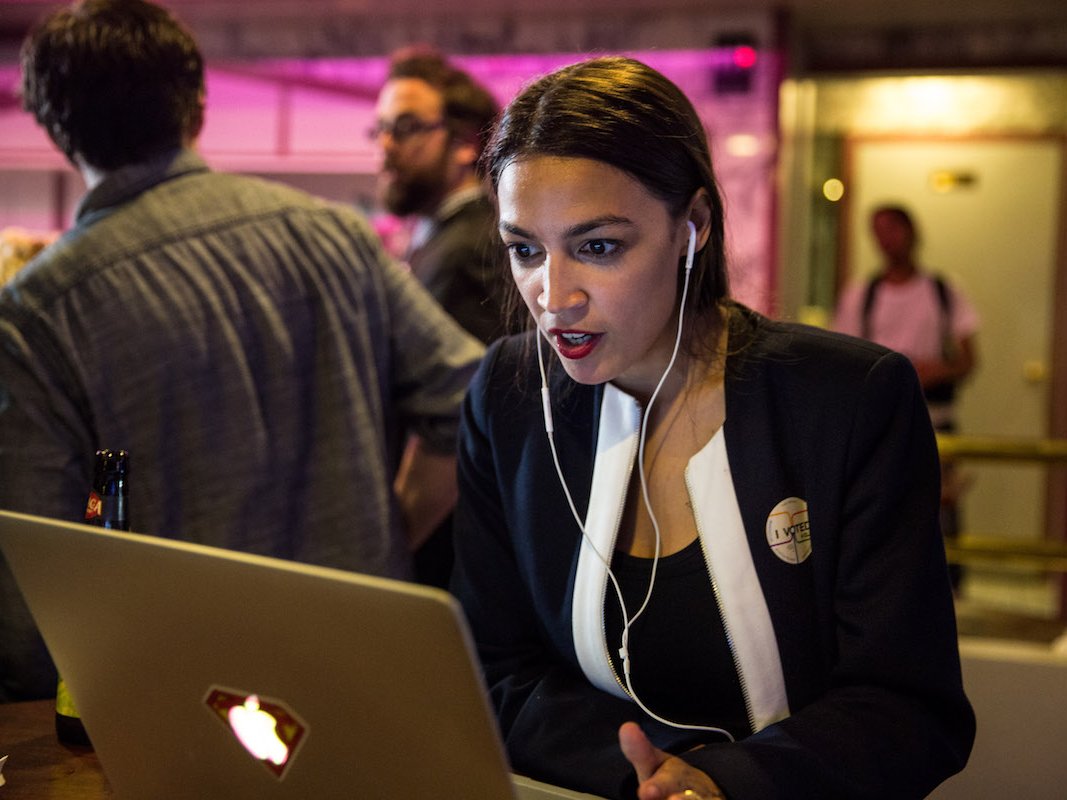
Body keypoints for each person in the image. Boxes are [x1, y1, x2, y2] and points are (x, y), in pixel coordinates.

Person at [451, 56, 974, 800]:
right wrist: (657, 775)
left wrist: (727, 781)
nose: (552, 295)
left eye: (598, 247)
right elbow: (491, 672)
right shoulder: (508, 395)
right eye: (525, 250)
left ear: (692, 226)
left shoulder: (846, 400)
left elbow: (909, 709)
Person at [0, 0, 483, 702]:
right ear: (197, 105)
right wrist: (384, 549)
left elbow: (28, 593)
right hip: (366, 658)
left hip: (190, 696)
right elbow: (468, 400)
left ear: (50, 123)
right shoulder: (331, 236)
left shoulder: (37, 311)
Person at [372, 46, 507, 586]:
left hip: (450, 553)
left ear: (464, 143)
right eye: (380, 127)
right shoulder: (453, 240)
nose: (385, 146)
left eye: (405, 127)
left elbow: (462, 415)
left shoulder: (463, 251)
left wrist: (390, 549)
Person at [834, 205, 980, 589]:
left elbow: (968, 358)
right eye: (877, 231)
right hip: (879, 420)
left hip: (936, 415)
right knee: (881, 508)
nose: (886, 239)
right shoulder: (861, 294)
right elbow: (843, 358)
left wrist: (936, 370)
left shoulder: (943, 290)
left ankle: (946, 587)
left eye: (893, 228)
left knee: (938, 509)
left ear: (911, 231)